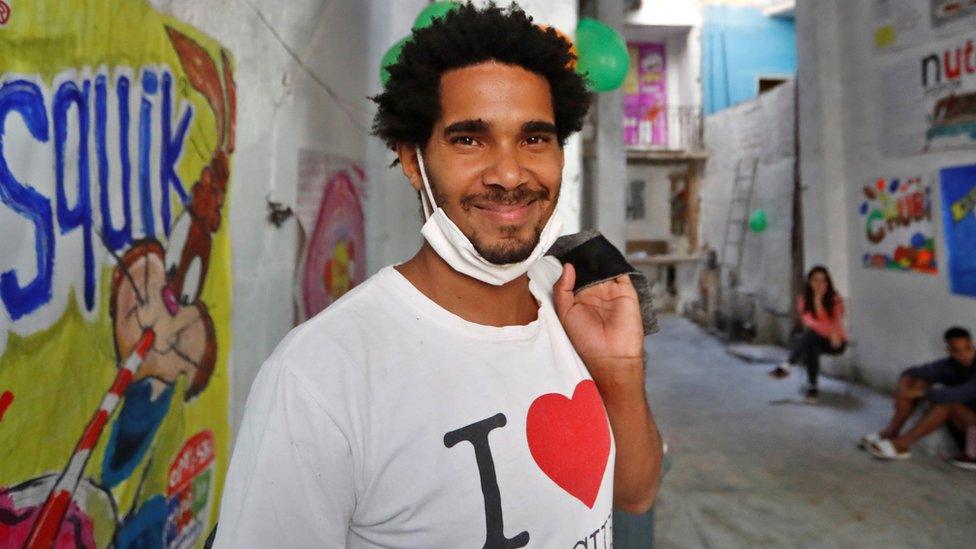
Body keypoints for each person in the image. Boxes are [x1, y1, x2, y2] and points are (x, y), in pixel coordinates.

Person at [214, 5, 663, 547]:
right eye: (469, 140)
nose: (509, 173)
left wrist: (619, 373)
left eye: (534, 139)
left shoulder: (576, 297)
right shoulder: (321, 376)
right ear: (411, 159)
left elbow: (635, 495)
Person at [862, 327, 976, 467]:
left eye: (968, 348)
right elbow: (913, 372)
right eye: (957, 351)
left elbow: (965, 392)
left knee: (947, 403)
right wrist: (903, 389)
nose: (964, 355)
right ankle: (892, 432)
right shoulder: (950, 365)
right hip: (969, 430)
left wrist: (921, 393)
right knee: (918, 382)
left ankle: (900, 445)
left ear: (973, 346)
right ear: (949, 351)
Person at [769, 266, 847, 403]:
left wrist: (831, 331)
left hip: (836, 342)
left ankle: (788, 365)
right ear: (809, 282)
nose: (819, 284)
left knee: (810, 336)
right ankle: (812, 388)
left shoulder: (835, 299)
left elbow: (835, 321)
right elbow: (810, 322)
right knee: (812, 344)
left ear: (828, 283)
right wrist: (817, 302)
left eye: (823, 281)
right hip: (818, 338)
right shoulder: (803, 300)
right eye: (816, 280)